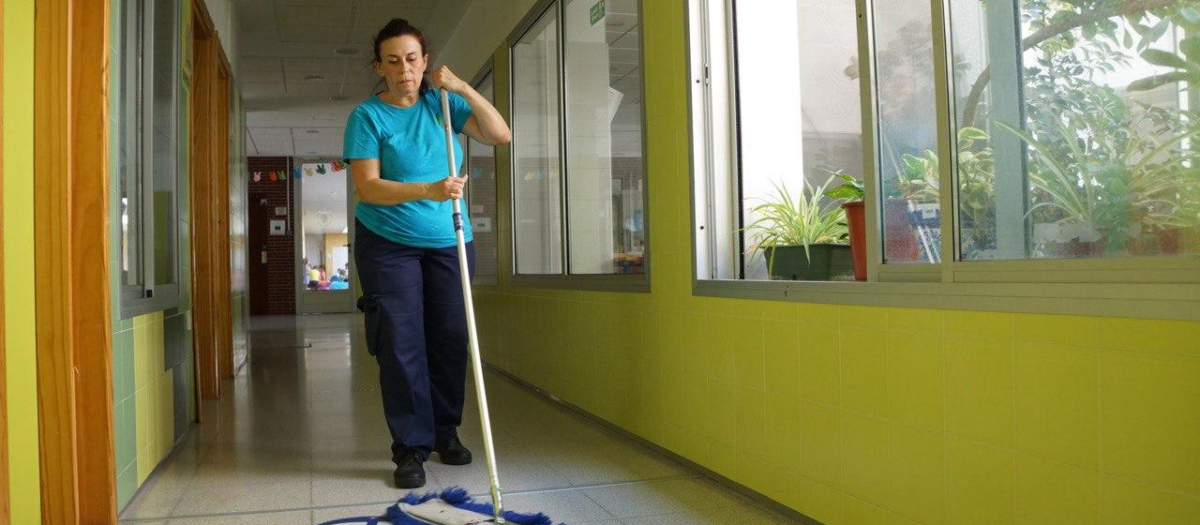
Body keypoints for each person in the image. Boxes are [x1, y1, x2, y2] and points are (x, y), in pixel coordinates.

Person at [343, 17, 511, 490]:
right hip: (388, 242)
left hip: (448, 242)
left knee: (450, 338)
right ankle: (410, 448)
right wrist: (429, 190)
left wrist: (462, 87)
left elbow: (500, 134)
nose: (405, 70)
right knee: (401, 343)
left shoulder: (444, 104)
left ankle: (444, 432)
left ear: (425, 62)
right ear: (379, 66)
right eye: (393, 61)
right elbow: (368, 187)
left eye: (412, 59)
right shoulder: (367, 117)